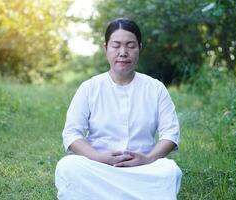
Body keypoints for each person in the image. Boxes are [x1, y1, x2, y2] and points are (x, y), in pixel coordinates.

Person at [55, 18, 182, 200]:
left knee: (170, 170)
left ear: (140, 48)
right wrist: (99, 158)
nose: (123, 52)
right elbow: (71, 134)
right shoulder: (89, 88)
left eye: (131, 46)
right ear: (105, 48)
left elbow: (170, 134)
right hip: (99, 168)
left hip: (143, 170)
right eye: (116, 45)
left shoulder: (155, 88)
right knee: (67, 166)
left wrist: (147, 159)